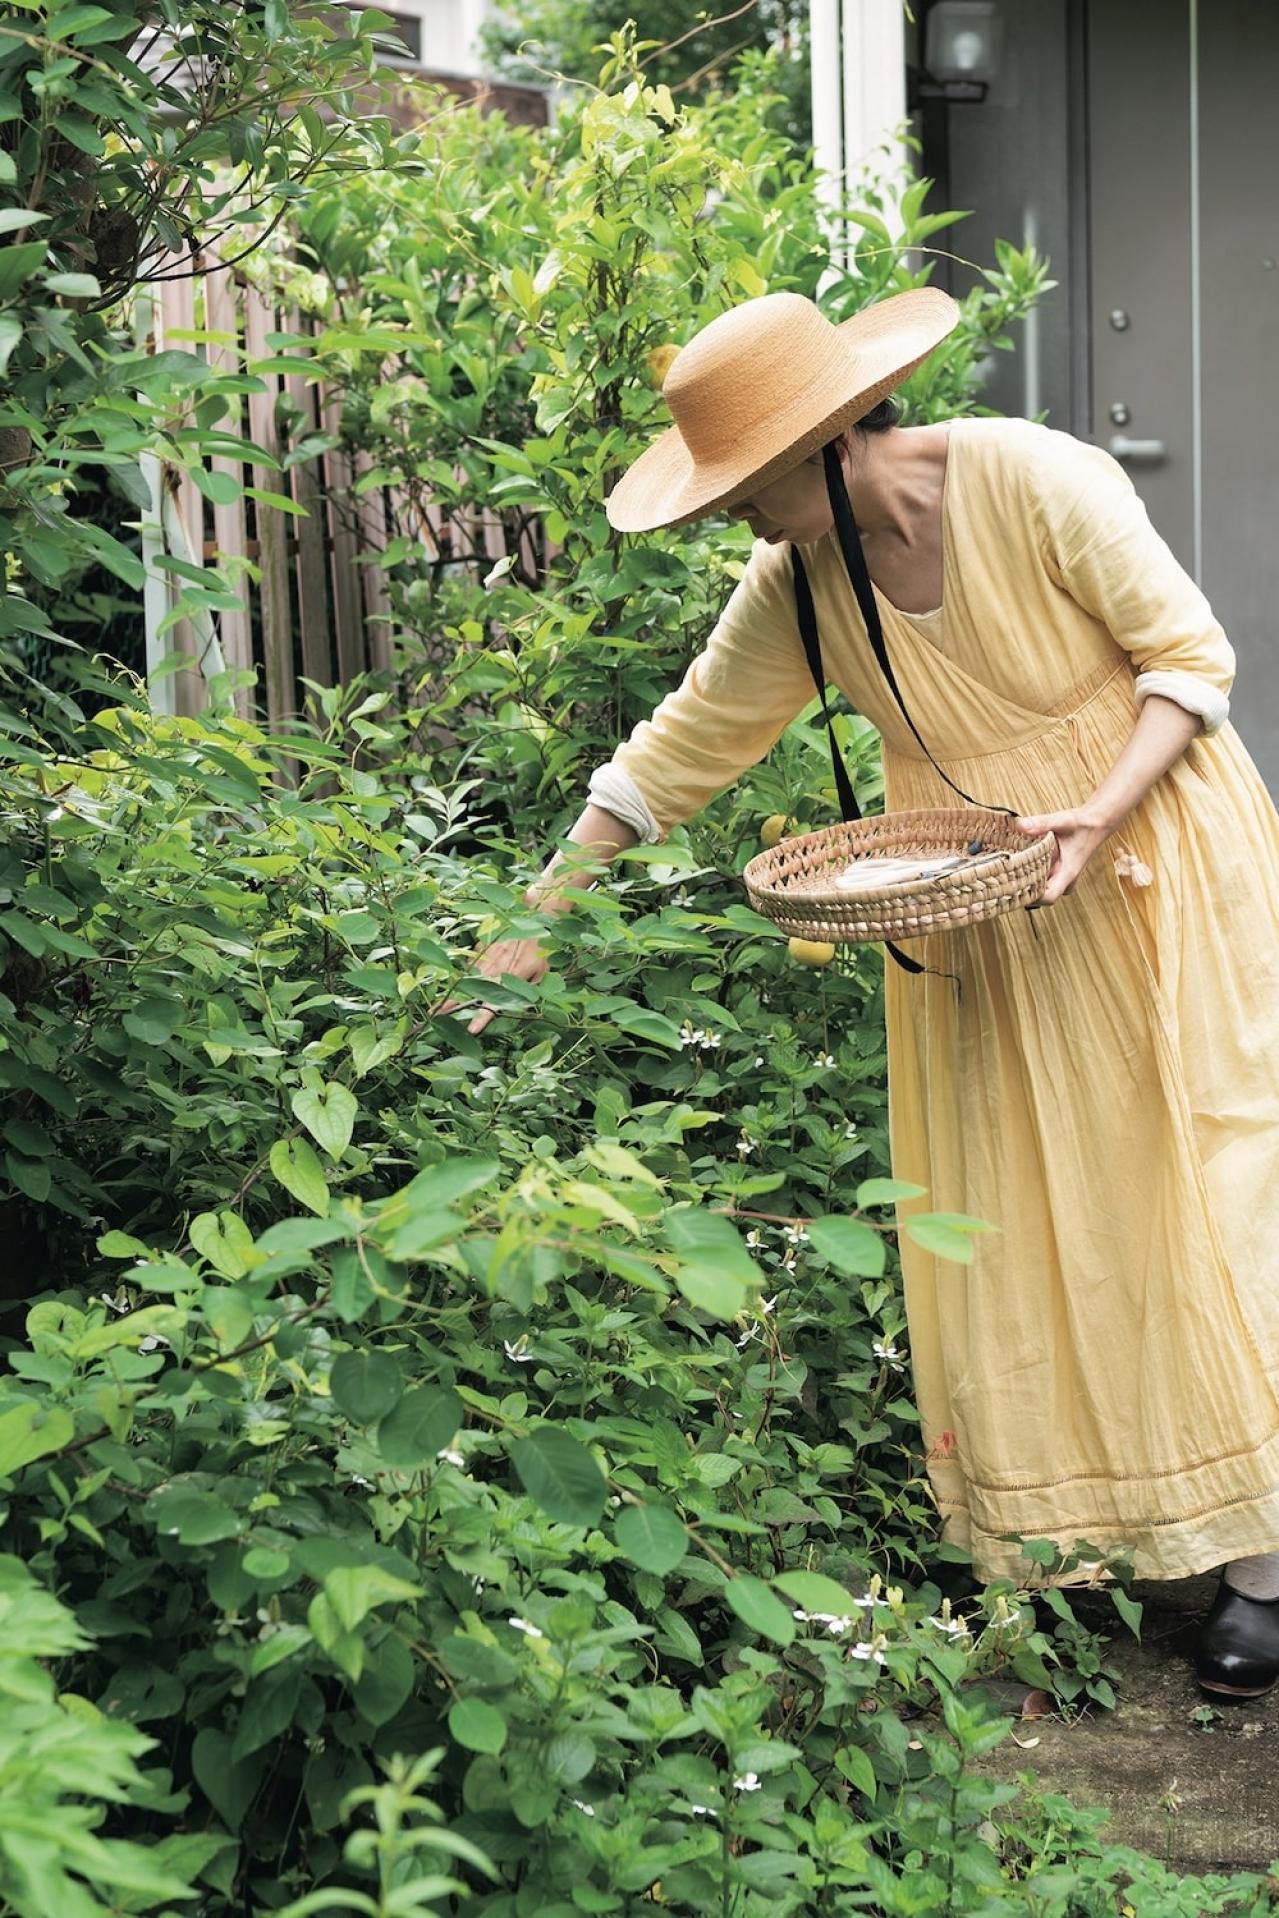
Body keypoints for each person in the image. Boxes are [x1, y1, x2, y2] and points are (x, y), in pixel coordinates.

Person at [454, 286, 1279, 1702]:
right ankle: (1076, 1539)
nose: (731, 511)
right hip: (984, 904)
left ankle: (1264, 1562)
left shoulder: (1035, 478)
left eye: (743, 481)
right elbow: (679, 748)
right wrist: (538, 913)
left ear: (831, 441)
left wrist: (1093, 814)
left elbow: (1190, 659)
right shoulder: (796, 579)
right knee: (1035, 1216)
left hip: (1155, 858)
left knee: (1212, 1183)